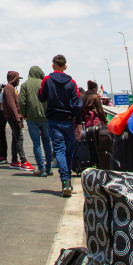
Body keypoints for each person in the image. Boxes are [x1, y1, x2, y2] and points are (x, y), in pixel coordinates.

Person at [39, 54, 82, 198]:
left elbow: (41, 97)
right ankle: (67, 179)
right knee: (69, 151)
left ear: (53, 66)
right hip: (68, 121)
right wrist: (79, 123)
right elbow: (77, 104)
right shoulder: (72, 83)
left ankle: (65, 181)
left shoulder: (47, 80)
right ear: (65, 66)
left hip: (54, 120)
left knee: (59, 150)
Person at [19, 65, 52, 177]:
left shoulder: (25, 85)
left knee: (36, 144)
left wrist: (24, 115)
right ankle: (49, 168)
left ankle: (41, 169)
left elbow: (22, 102)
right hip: (46, 118)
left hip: (32, 118)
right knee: (47, 143)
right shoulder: (46, 83)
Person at [3, 71, 32, 170]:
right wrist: (17, 118)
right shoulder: (9, 88)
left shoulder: (11, 88)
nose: (18, 81)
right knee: (19, 138)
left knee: (15, 138)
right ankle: (23, 161)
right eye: (17, 79)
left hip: (15, 117)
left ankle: (14, 160)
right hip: (13, 117)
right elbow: (12, 105)